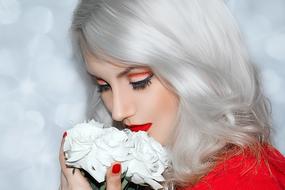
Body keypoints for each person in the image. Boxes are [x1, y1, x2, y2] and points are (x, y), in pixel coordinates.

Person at [59, 0, 285, 189]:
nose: (118, 111)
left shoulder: (249, 180)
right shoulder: (158, 169)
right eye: (104, 86)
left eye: (139, 82)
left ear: (197, 69)